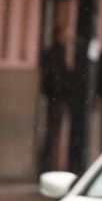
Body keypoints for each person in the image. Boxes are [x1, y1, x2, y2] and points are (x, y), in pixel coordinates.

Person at [38, 23, 71, 172]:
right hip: (56, 97)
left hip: (55, 96)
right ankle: (47, 165)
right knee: (52, 132)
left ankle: (48, 165)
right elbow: (57, 76)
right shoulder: (57, 52)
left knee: (52, 132)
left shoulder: (55, 51)